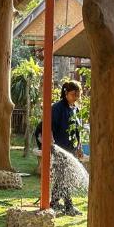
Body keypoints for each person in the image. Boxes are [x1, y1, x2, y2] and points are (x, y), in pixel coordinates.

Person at [34, 80, 85, 215]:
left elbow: (77, 131)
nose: (77, 97)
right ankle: (67, 206)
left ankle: (56, 203)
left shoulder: (76, 109)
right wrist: (51, 143)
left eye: (78, 94)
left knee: (63, 177)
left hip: (71, 150)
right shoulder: (57, 108)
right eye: (74, 94)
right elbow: (48, 125)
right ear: (66, 93)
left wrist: (79, 147)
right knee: (64, 177)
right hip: (59, 149)